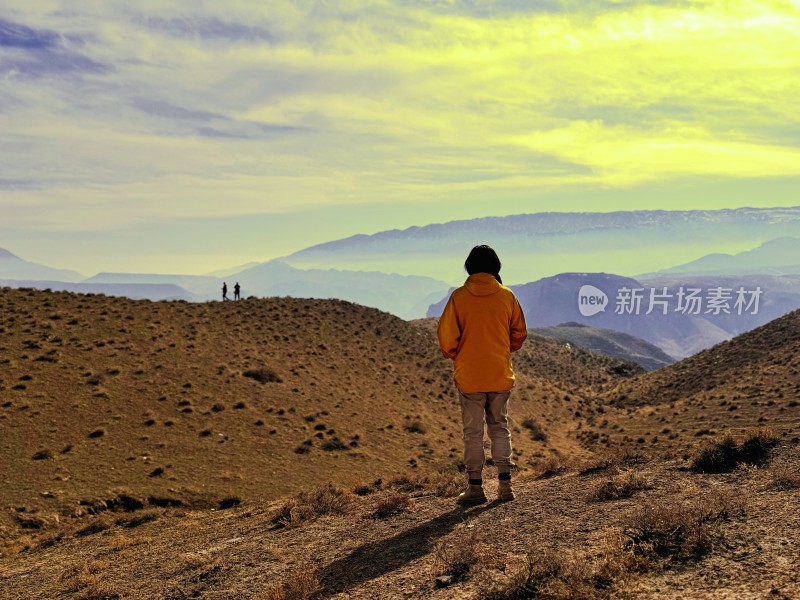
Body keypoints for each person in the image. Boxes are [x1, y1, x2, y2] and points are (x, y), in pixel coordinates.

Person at [437, 245, 527, 505]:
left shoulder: (459, 297)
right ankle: (505, 487)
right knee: (500, 427)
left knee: (473, 432)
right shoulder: (507, 296)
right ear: (496, 267)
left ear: (469, 267)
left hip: (470, 376)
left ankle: (476, 488)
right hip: (499, 373)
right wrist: (502, 350)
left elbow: (446, 339)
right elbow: (519, 333)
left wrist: (458, 354)